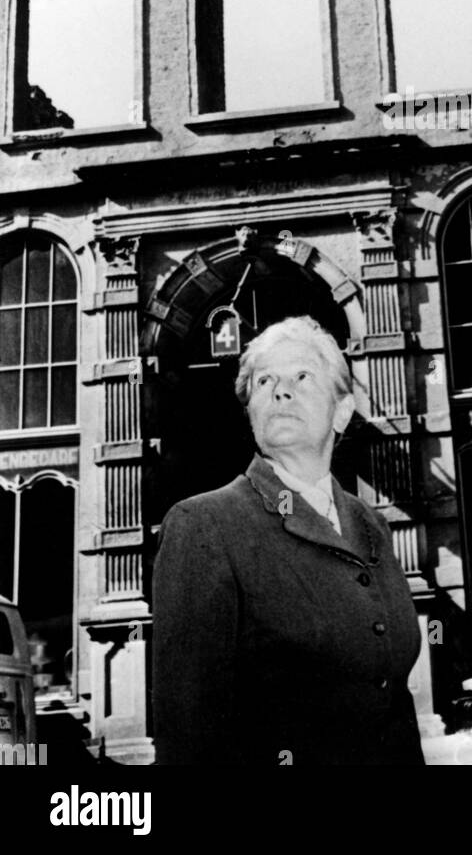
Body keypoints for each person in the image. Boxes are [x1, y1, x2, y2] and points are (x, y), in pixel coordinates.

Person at [151, 315, 424, 766]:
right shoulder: (204, 525)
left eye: (301, 377)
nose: (281, 391)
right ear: (251, 411)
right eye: (264, 381)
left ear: (342, 410)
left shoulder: (370, 524)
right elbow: (188, 736)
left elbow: (394, 703)